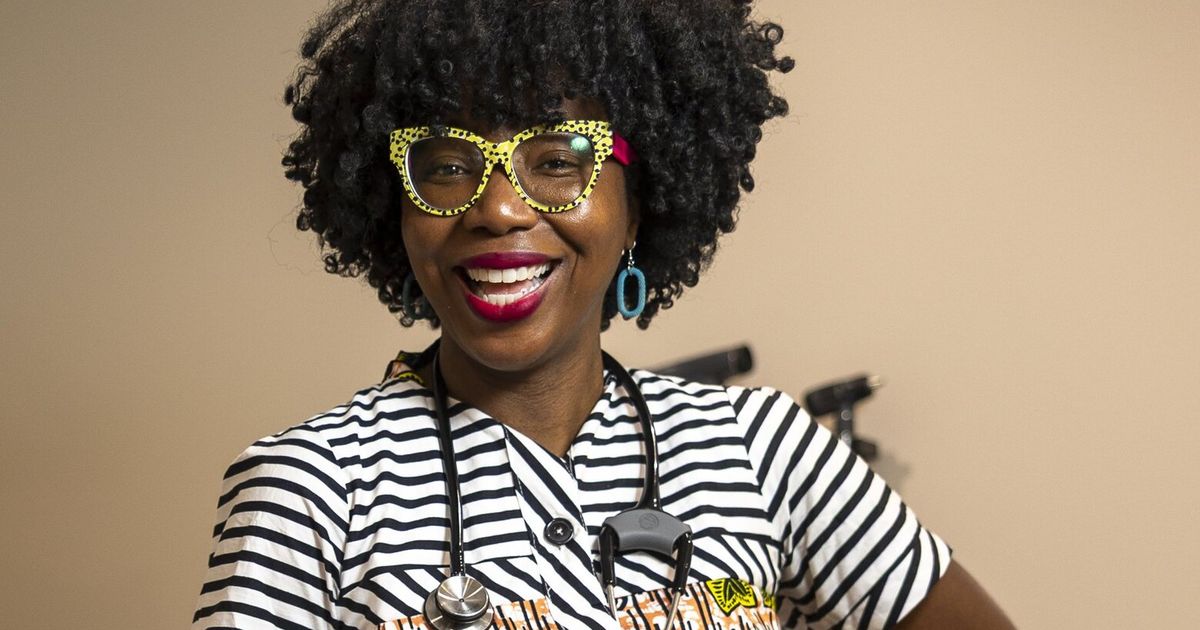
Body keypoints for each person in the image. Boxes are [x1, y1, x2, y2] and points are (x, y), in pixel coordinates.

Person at [193, 1, 1013, 628]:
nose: (498, 209)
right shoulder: (311, 489)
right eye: (446, 166)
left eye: (557, 160)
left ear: (639, 201)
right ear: (395, 209)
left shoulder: (763, 450)